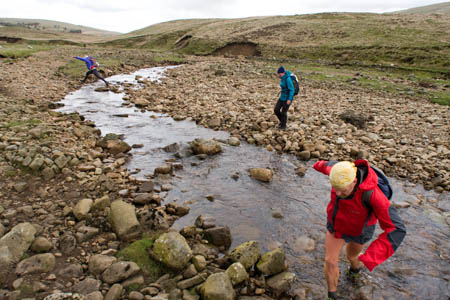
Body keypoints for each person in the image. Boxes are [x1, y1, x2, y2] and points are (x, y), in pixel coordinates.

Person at [313, 160, 406, 300]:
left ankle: (355, 269)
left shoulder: (373, 195)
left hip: (360, 230)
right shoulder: (337, 173)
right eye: (334, 188)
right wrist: (316, 164)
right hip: (337, 225)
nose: (338, 193)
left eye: (343, 190)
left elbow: (397, 229)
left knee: (352, 256)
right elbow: (324, 165)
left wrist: (370, 258)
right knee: (330, 261)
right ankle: (331, 295)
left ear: (354, 181)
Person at [274, 66, 294, 130]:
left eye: (278, 73)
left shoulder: (288, 79)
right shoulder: (283, 78)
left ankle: (283, 126)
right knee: (276, 109)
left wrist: (289, 99)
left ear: (281, 73)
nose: (278, 75)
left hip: (287, 98)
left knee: (283, 112)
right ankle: (282, 122)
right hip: (282, 97)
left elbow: (292, 89)